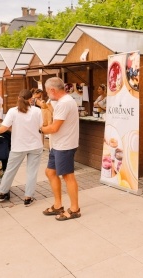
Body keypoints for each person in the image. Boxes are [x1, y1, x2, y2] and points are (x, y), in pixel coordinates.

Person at [0, 89, 43, 206]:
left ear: (19, 98)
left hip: (19, 146)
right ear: (31, 99)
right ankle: (28, 197)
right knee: (32, 172)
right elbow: (40, 127)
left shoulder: (13, 111)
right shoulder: (37, 111)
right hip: (36, 145)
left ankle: (2, 193)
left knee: (10, 170)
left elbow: (2, 129)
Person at [41, 77, 81, 221]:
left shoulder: (64, 103)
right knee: (50, 172)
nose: (47, 94)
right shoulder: (62, 102)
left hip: (64, 146)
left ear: (52, 90)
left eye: (47, 91)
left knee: (67, 176)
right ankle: (58, 205)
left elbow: (54, 128)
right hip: (57, 145)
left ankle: (75, 209)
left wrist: (39, 129)